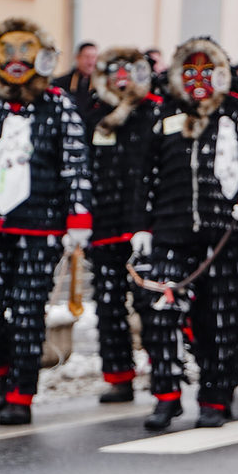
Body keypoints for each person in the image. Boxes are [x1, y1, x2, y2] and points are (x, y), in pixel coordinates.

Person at [0, 18, 93, 426]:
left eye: (25, 53)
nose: (16, 62)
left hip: (42, 226)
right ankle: (4, 371)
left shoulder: (58, 104)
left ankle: (20, 393)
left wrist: (78, 218)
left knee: (28, 310)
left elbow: (75, 164)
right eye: (7, 53)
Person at [130, 36, 238, 430]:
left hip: (223, 236)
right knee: (159, 318)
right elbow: (144, 175)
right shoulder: (163, 114)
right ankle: (166, 396)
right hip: (170, 235)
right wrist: (140, 226)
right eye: (189, 72)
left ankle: (215, 398)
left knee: (220, 324)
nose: (197, 80)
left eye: (206, 72)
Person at [83, 47, 163, 404]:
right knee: (108, 305)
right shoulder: (93, 111)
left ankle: (162, 377)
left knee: (150, 303)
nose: (121, 80)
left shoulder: (153, 111)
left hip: (143, 225)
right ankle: (118, 376)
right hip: (103, 224)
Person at [53, 41, 98, 112]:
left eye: (94, 57)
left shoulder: (102, 85)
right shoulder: (61, 83)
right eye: (87, 57)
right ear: (78, 58)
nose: (91, 62)